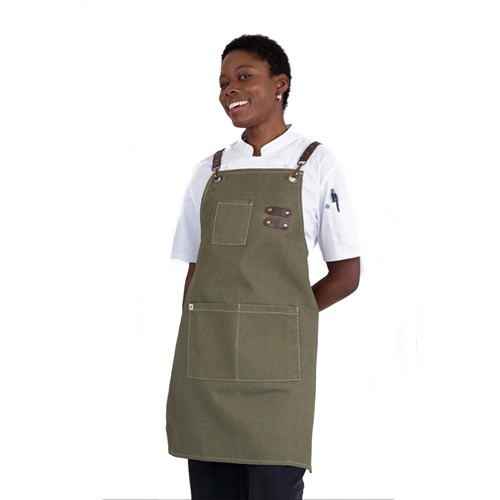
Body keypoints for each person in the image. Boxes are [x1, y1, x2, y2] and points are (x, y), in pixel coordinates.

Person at [166, 34, 361, 500]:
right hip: (207, 366)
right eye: (223, 83)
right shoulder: (209, 170)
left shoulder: (315, 164)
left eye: (244, 76)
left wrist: (280, 320)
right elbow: (196, 272)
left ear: (280, 83)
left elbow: (346, 274)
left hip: (277, 372)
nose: (229, 89)